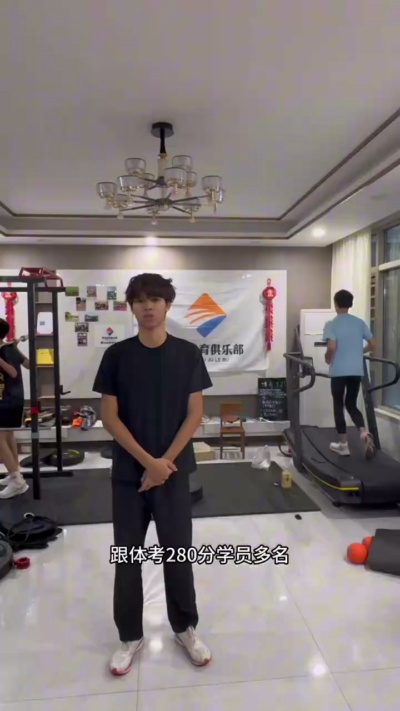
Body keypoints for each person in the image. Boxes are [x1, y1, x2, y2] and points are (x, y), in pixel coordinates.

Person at [93, 273, 213, 676]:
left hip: (173, 473)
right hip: (129, 475)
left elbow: (195, 413)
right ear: (131, 307)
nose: (148, 306)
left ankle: (185, 628)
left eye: (155, 299)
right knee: (127, 557)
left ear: (167, 305)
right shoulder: (117, 356)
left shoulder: (187, 354)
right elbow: (110, 417)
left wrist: (163, 465)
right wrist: (149, 462)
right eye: (141, 300)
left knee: (177, 554)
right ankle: (130, 635)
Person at [323, 289, 375, 458]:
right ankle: (363, 432)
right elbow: (373, 344)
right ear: (350, 304)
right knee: (351, 404)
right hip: (356, 370)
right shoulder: (359, 323)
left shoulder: (332, 324)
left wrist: (327, 358)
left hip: (338, 371)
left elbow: (331, 346)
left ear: (336, 304)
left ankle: (343, 444)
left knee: (338, 404)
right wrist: (360, 351)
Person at [0, 320, 30, 499]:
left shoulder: (4, 350)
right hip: (12, 399)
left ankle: (17, 482)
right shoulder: (9, 348)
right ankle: (15, 473)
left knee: (0, 439)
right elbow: (28, 364)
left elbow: (13, 372)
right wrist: (16, 349)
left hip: (7, 400)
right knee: (8, 436)